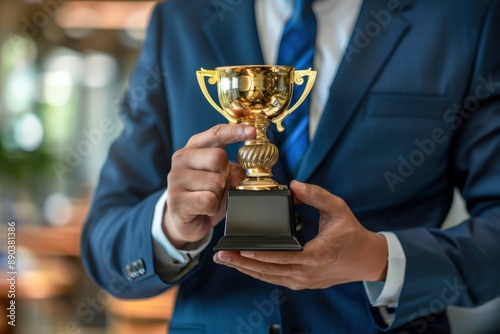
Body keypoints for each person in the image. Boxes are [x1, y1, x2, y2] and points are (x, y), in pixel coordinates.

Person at [81, 0, 500, 332]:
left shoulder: (463, 16)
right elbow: (105, 245)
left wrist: (382, 258)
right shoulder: (178, 20)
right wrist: (172, 227)